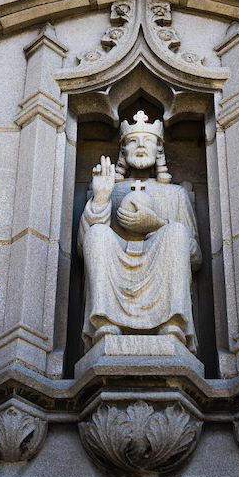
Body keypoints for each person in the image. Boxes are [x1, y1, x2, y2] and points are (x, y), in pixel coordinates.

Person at [79, 111, 201, 353]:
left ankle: (172, 325)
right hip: (117, 268)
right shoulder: (107, 188)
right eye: (133, 141)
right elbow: (85, 247)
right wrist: (101, 198)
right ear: (123, 150)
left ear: (159, 149)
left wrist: (156, 225)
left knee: (176, 231)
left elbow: (195, 256)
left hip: (160, 270)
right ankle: (106, 324)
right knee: (97, 234)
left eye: (149, 140)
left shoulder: (176, 194)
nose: (142, 146)